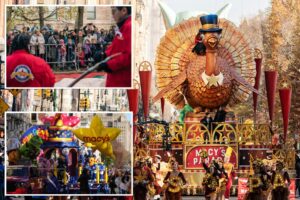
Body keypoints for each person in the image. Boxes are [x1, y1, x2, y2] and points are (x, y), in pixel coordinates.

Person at [95, 6, 132, 87]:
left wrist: (108, 65)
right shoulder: (123, 26)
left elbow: (129, 56)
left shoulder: (129, 26)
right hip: (116, 77)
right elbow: (117, 47)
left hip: (122, 79)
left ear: (124, 10)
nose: (112, 15)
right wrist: (104, 55)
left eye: (113, 12)